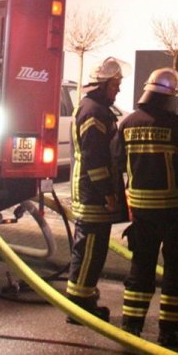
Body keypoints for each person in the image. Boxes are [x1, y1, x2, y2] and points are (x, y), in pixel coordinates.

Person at [112, 68, 178, 348]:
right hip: (175, 210)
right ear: (172, 95)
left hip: (140, 210)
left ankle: (131, 325)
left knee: (141, 267)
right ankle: (171, 330)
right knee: (176, 271)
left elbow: (115, 164)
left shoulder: (126, 124)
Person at [65, 56, 127, 323]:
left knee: (93, 249)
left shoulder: (94, 108)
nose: (119, 89)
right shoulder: (94, 112)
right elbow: (95, 158)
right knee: (89, 249)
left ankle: (85, 298)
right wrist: (108, 194)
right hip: (93, 194)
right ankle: (79, 306)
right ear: (103, 84)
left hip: (92, 192)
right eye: (116, 84)